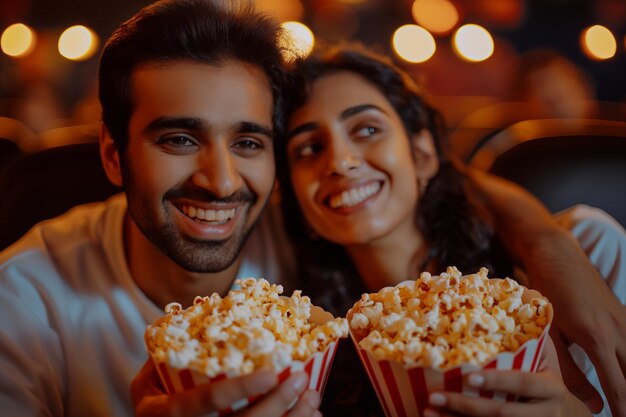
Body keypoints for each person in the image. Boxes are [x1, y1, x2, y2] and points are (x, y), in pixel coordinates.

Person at [0, 1, 321, 416]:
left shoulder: (316, 250)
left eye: (248, 143)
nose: (221, 182)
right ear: (114, 154)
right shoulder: (23, 299)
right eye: (180, 140)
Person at [276, 44, 626, 417]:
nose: (340, 162)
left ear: (423, 153)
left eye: (367, 129)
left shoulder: (590, 249)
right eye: (309, 148)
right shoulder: (297, 338)